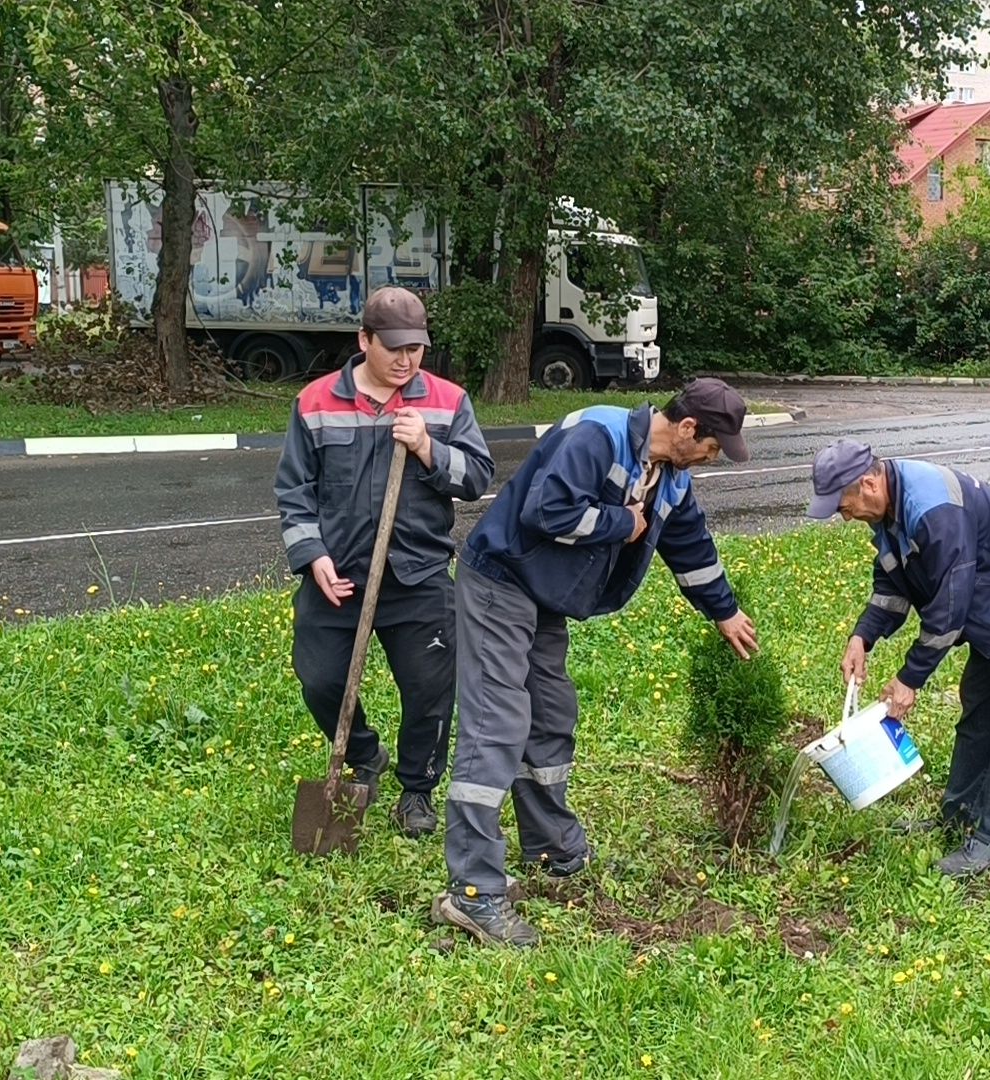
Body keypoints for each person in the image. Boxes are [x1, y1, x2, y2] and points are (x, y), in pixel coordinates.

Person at [435, 379, 760, 947]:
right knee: (497, 724)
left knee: (551, 715)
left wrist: (725, 612)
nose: (712, 459)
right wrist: (622, 523)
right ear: (688, 429)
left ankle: (550, 847)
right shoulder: (597, 436)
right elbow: (546, 510)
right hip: (501, 581)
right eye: (712, 447)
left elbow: (691, 546)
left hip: (545, 595)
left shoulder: (670, 476)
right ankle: (473, 891)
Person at [275, 286, 495, 836]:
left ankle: (417, 789)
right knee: (319, 679)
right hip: (339, 576)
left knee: (429, 689)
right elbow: (295, 491)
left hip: (417, 575)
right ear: (364, 340)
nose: (405, 360)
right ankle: (363, 754)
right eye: (393, 347)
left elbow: (477, 477)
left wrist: (428, 448)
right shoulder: (315, 403)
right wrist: (312, 555)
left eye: (415, 349)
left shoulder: (447, 402)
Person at [807, 440, 990, 878]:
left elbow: (949, 611)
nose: (845, 517)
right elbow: (893, 584)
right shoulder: (888, 510)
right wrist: (863, 637)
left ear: (868, 484)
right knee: (978, 708)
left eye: (844, 507)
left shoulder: (934, 510)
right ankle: (960, 816)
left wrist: (909, 680)